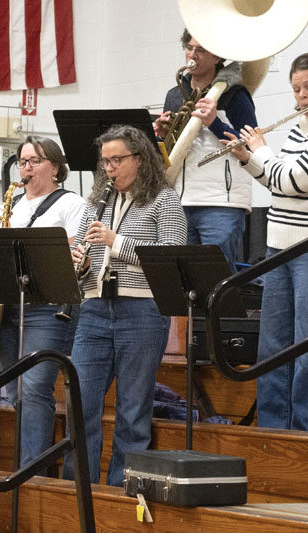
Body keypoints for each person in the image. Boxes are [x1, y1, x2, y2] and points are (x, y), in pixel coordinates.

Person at [226, 52, 308, 434]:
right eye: (297, 90)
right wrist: (248, 159)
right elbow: (277, 183)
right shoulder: (301, 129)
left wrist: (262, 148)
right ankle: (275, 431)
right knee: (273, 346)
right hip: (279, 248)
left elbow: (293, 181)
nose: (301, 97)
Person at [61, 125, 186, 486]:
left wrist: (117, 243)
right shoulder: (97, 202)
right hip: (95, 309)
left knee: (132, 411)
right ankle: (76, 489)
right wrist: (78, 263)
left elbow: (173, 257)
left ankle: (121, 493)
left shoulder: (164, 200)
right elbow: (85, 259)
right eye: (105, 162)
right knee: (80, 403)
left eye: (117, 160)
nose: (110, 169)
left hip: (142, 312)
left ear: (141, 158)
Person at [0, 135, 85, 467]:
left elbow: (75, 253)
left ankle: (32, 472)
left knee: (36, 387)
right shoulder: (7, 207)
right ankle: (27, 464)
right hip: (6, 306)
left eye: (34, 161)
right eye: (22, 162)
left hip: (49, 307)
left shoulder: (72, 204)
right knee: (14, 391)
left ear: (55, 167)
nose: (26, 168)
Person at [154, 28, 257, 273]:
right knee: (183, 278)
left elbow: (252, 143)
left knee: (217, 276)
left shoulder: (234, 94)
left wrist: (215, 123)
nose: (193, 54)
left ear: (217, 57)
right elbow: (171, 148)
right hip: (180, 199)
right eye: (189, 48)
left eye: (201, 50)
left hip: (222, 202)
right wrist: (161, 133)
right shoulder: (175, 93)